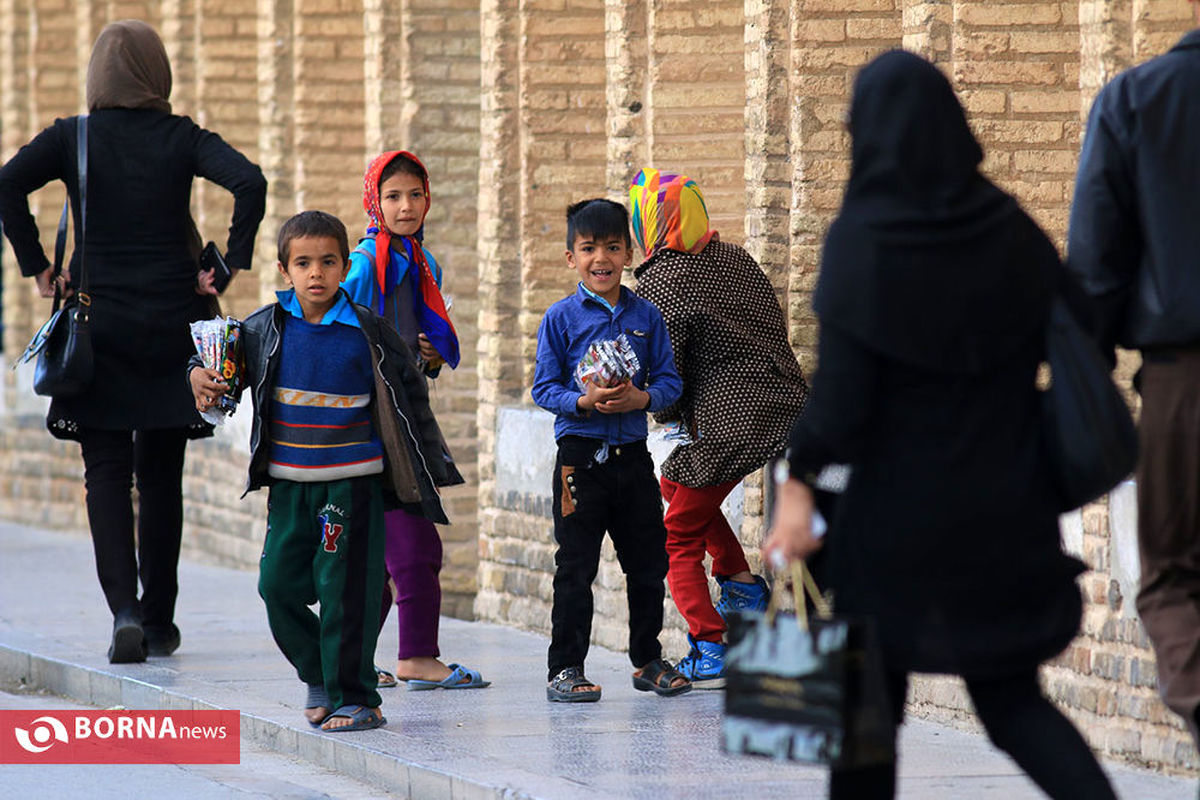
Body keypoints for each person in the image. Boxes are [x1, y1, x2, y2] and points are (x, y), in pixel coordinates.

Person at [762, 51, 1116, 799]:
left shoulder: (863, 240)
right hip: (1003, 505)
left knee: (862, 721)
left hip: (886, 525)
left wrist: (797, 488)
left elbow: (840, 407)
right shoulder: (1008, 227)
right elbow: (1083, 321)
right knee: (1013, 703)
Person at [0, 20, 266, 664]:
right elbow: (250, 181)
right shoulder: (181, 137)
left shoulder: (73, 137)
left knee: (106, 475)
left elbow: (6, 183)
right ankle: (159, 618)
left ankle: (123, 609)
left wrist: (37, 265)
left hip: (99, 332)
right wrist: (228, 265)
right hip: (175, 333)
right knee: (162, 475)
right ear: (158, 75)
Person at [189, 210, 463, 732]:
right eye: (304, 263)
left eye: (329, 262)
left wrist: (429, 363)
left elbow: (410, 391)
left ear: (345, 267)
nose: (317, 273)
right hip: (290, 487)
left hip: (353, 483)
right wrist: (197, 376)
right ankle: (320, 675)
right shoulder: (265, 328)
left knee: (346, 594)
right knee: (278, 587)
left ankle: (357, 699)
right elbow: (215, 365)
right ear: (284, 270)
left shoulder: (367, 329)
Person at [1067, 0, 1200, 758]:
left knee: (1174, 579)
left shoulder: (1140, 99)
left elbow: (1095, 267)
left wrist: (1089, 394)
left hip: (1187, 386)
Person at [630, 168, 808, 687]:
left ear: (650, 221)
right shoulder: (734, 257)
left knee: (676, 535)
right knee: (677, 487)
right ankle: (740, 583)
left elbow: (668, 365)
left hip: (731, 421)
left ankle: (709, 644)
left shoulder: (661, 278)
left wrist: (663, 415)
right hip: (786, 404)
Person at [532, 198, 690, 702]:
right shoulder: (560, 319)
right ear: (570, 257)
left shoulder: (648, 317)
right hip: (579, 459)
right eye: (588, 248)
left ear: (629, 253)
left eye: (613, 247)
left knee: (648, 562)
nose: (601, 258)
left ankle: (647, 660)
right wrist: (583, 401)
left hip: (633, 457)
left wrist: (643, 397)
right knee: (576, 566)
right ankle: (566, 670)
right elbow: (543, 388)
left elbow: (669, 381)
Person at [341, 150, 486, 691]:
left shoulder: (420, 263)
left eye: (416, 195)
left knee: (383, 553)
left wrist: (427, 354)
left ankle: (350, 659)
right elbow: (340, 336)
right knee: (417, 544)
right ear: (374, 202)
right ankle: (418, 657)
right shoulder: (364, 265)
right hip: (377, 424)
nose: (406, 206)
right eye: (394, 196)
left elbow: (418, 352)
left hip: (405, 412)